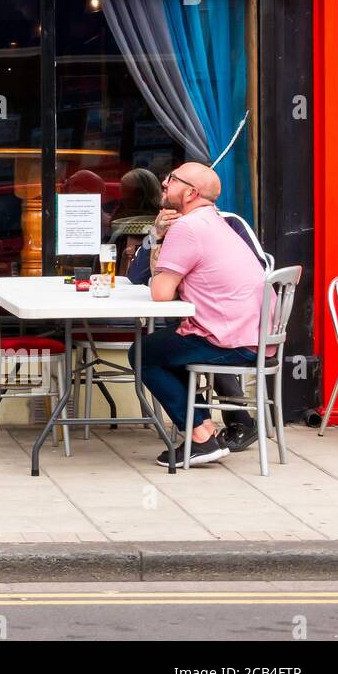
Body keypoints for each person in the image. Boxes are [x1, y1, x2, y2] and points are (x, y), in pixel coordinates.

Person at [135, 162, 266, 467]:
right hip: (251, 335)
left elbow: (160, 293)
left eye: (172, 179)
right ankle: (203, 431)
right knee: (164, 348)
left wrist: (161, 239)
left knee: (143, 353)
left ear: (191, 192)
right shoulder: (215, 221)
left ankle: (201, 437)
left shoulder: (187, 227)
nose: (164, 183)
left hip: (228, 339)